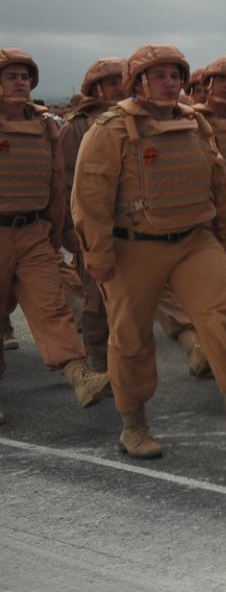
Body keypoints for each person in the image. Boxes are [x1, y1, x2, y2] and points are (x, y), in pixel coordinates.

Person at [70, 44, 226, 457]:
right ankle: (134, 423)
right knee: (130, 338)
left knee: (221, 322)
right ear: (139, 83)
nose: (170, 83)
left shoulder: (194, 124)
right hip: (135, 247)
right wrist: (100, 257)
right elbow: (89, 198)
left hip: (195, 241)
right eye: (160, 76)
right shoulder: (110, 130)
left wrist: (221, 239)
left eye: (175, 75)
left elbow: (217, 184)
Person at [0, 48, 113, 419]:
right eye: (11, 76)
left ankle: (79, 375)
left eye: (24, 76)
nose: (20, 82)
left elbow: (57, 181)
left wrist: (60, 229)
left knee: (51, 307)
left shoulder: (44, 125)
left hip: (33, 230)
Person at [58, 56, 127, 372]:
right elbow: (67, 181)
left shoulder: (137, 120)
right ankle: (99, 363)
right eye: (112, 82)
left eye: (122, 81)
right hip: (94, 226)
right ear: (95, 88)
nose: (120, 87)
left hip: (133, 226)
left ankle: (126, 361)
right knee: (95, 300)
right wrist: (71, 229)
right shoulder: (78, 126)